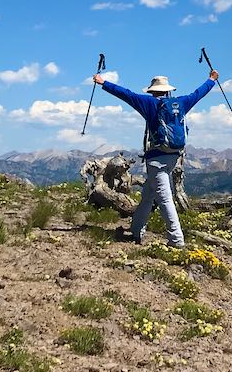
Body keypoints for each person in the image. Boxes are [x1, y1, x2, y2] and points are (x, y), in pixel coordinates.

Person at [92, 68, 219, 247]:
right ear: (168, 90)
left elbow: (125, 94)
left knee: (165, 198)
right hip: (173, 157)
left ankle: (176, 240)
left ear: (152, 91)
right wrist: (211, 80)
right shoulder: (181, 103)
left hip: (156, 159)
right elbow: (198, 93)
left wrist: (103, 82)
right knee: (148, 196)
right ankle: (136, 230)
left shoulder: (148, 103)